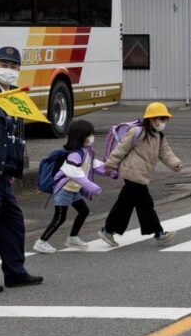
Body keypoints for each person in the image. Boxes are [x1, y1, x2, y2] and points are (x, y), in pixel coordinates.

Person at [99, 102, 182, 247]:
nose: (163, 122)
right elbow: (120, 150)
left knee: (125, 205)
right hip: (132, 173)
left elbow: (165, 152)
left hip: (142, 175)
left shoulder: (159, 136)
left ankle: (108, 230)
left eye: (165, 119)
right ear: (152, 118)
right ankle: (159, 233)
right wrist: (110, 165)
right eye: (161, 119)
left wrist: (175, 163)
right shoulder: (136, 132)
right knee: (145, 204)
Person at [0, 46, 43, 290]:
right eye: (4, 65)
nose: (9, 70)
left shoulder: (16, 95)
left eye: (13, 66)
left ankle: (15, 272)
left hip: (5, 172)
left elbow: (16, 135)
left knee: (13, 222)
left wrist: (15, 169)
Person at [33, 120, 108, 253]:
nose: (92, 136)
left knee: (83, 211)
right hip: (64, 190)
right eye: (89, 134)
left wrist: (111, 170)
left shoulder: (86, 151)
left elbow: (93, 165)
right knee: (60, 218)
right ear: (80, 136)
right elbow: (75, 173)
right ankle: (41, 242)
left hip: (73, 189)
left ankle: (72, 238)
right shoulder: (74, 154)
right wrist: (91, 186)